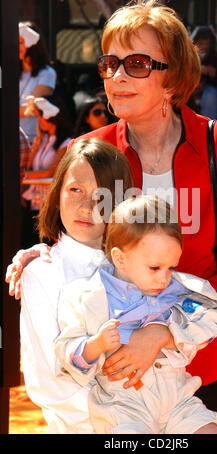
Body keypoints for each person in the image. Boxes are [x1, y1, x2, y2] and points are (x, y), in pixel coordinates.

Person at [7, 0, 217, 434]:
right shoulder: (94, 149)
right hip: (118, 378)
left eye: (137, 64)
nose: (116, 76)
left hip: (209, 362)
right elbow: (86, 238)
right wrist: (46, 256)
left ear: (174, 77)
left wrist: (171, 329)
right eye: (109, 64)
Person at [54, 195, 217, 434]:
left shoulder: (178, 289)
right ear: (120, 257)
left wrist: (166, 332)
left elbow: (214, 320)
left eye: (171, 267)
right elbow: (67, 352)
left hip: (178, 399)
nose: (164, 277)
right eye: (155, 267)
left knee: (210, 430)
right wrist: (96, 344)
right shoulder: (86, 298)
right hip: (123, 406)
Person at [18, 138, 134, 433]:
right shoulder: (42, 274)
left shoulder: (139, 267)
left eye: (102, 195)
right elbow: (47, 382)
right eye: (75, 190)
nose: (87, 206)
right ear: (57, 194)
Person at [21, 95, 73, 247]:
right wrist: (36, 142)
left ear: (51, 118)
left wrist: (20, 176)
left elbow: (50, 172)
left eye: (40, 116)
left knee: (47, 247)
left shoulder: (67, 142)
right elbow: (28, 166)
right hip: (34, 203)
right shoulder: (42, 140)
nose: (38, 121)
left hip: (51, 206)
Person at [19, 22, 57, 145]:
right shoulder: (9, 71)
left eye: (21, 42)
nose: (16, 46)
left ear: (34, 44)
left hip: (31, 139)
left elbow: (33, 108)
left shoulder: (47, 73)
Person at [190, 26, 217, 119]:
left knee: (211, 95)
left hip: (207, 88)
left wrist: (214, 75)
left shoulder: (215, 56)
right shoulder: (188, 55)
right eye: (201, 44)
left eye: (207, 44)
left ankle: (209, 126)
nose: (204, 47)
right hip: (189, 86)